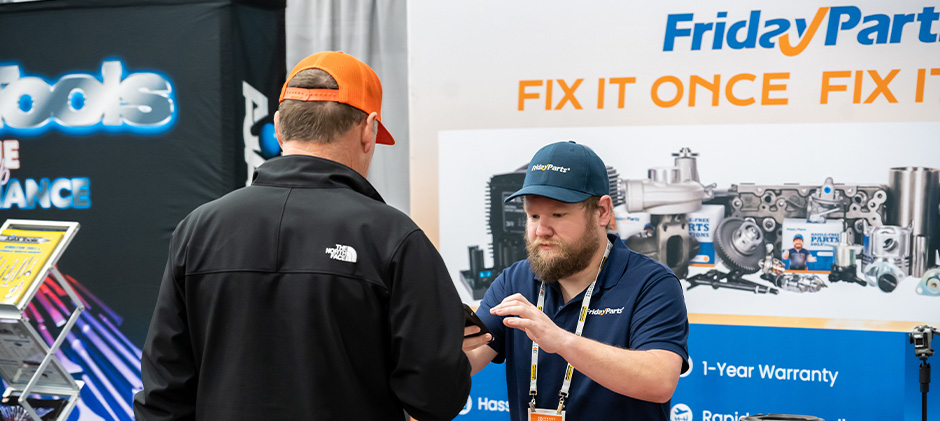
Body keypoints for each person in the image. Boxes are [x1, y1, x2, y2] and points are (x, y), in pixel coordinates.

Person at [134, 51, 471, 421]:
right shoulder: (394, 237)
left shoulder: (198, 228)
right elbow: (433, 396)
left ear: (278, 127)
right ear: (368, 129)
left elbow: (163, 392)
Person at [463, 141, 690, 421]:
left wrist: (560, 340)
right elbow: (469, 359)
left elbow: (659, 381)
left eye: (558, 215)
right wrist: (444, 350)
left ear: (602, 212)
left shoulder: (652, 283)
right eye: (533, 216)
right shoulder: (515, 280)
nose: (541, 230)